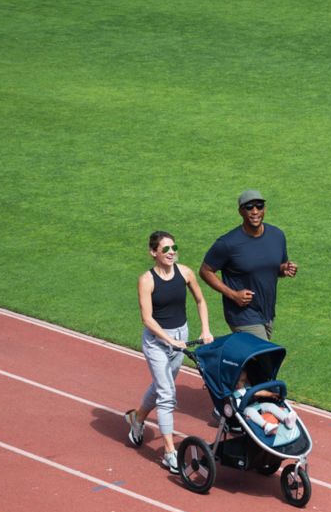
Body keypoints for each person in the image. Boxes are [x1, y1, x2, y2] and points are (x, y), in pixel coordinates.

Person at [125, 231, 213, 473]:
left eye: (174, 247)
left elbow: (200, 301)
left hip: (180, 336)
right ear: (153, 252)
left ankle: (137, 419)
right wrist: (169, 340)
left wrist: (205, 329)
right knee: (167, 394)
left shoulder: (185, 273)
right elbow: (147, 319)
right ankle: (170, 453)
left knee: (161, 385)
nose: (171, 252)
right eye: (165, 249)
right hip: (157, 341)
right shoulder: (147, 280)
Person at [199, 189, 297, 341]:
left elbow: (275, 268)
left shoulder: (277, 236)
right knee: (265, 354)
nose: (255, 211)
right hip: (242, 314)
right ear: (241, 211)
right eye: (249, 207)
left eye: (259, 206)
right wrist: (233, 295)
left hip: (267, 312)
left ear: (264, 209)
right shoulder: (228, 243)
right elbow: (205, 271)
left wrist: (284, 269)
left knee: (256, 355)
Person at [232, 366, 297, 435]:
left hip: (256, 406)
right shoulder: (231, 392)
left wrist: (271, 394)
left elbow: (259, 392)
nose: (239, 383)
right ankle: (266, 426)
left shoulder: (245, 388)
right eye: (236, 381)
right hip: (244, 411)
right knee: (250, 411)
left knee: (270, 406)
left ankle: (286, 419)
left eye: (242, 381)